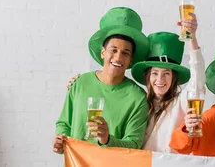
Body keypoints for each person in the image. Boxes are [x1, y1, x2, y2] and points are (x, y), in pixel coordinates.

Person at [66, 13, 205, 153]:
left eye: (166, 74)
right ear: (148, 76)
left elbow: (197, 81)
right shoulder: (140, 100)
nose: (160, 80)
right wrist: (78, 85)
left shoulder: (179, 103)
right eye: (155, 73)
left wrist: (192, 38)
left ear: (174, 78)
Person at [52, 7, 150, 154]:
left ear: (131, 61)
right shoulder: (79, 83)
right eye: (113, 50)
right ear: (103, 52)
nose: (118, 58)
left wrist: (107, 140)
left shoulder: (138, 98)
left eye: (125, 53)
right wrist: (60, 141)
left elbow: (134, 144)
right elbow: (64, 123)